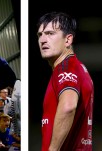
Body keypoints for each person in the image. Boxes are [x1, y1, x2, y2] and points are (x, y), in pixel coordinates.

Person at [37, 12, 93, 150]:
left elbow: (68, 107)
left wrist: (52, 149)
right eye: (40, 34)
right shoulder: (78, 67)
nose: (43, 39)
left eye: (50, 33)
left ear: (68, 40)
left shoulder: (65, 68)